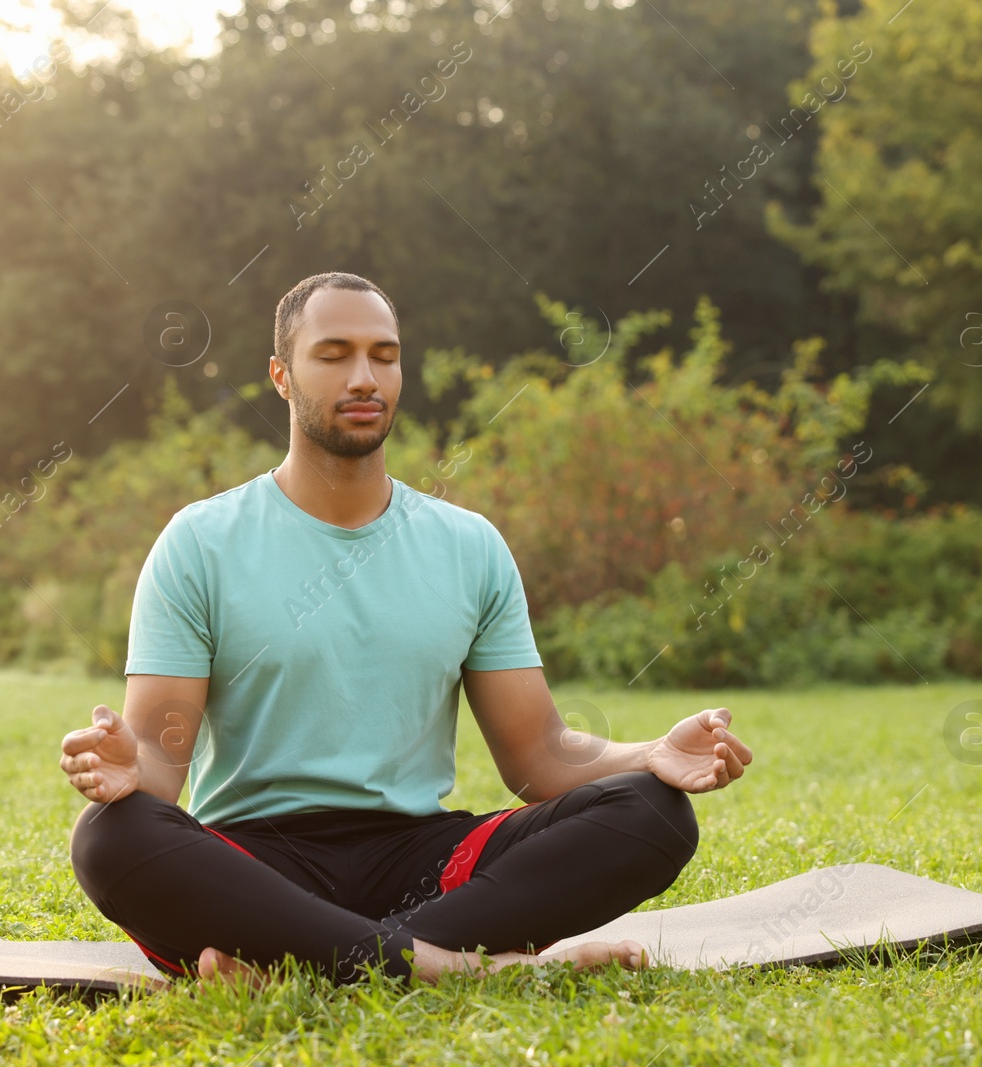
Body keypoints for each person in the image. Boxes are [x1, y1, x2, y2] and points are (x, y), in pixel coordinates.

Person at [60, 272, 752, 986]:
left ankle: (314, 963)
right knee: (112, 837)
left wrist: (654, 752)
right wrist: (129, 766)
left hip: (427, 863)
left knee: (652, 812)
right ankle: (467, 968)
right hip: (256, 867)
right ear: (281, 375)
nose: (364, 377)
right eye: (333, 354)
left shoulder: (469, 544)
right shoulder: (199, 541)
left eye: (383, 355)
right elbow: (161, 767)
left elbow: (538, 756)